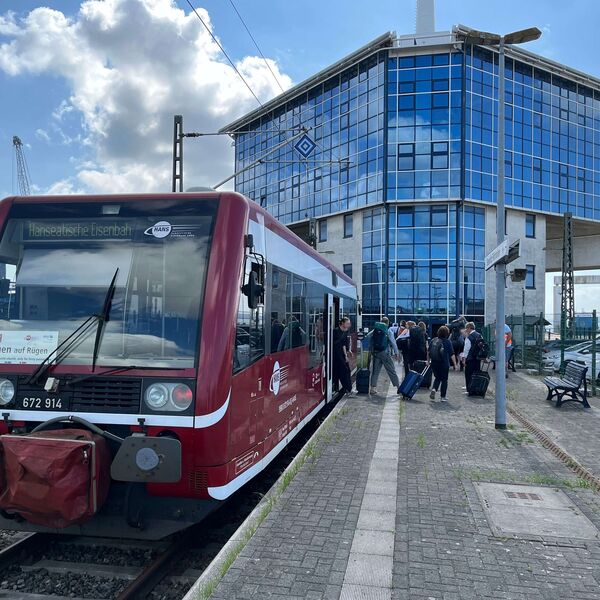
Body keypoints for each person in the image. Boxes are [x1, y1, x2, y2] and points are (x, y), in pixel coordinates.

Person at [368, 316, 401, 395]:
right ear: (388, 323)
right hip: (385, 353)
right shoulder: (388, 330)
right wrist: (397, 353)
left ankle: (372, 389)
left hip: (376, 353)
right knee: (391, 370)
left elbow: (368, 336)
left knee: (375, 371)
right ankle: (398, 387)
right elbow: (393, 342)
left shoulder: (375, 329)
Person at [428, 325, 456, 402]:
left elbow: (428, 351)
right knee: (444, 380)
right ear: (447, 333)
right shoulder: (447, 342)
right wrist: (455, 364)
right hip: (444, 363)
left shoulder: (434, 340)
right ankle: (443, 397)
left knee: (437, 378)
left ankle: (434, 389)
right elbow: (452, 354)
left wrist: (428, 361)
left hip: (434, 363)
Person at [332, 316, 353, 396]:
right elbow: (336, 344)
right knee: (344, 371)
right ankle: (347, 389)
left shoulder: (345, 331)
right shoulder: (335, 331)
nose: (349, 325)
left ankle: (347, 389)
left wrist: (346, 354)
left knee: (346, 370)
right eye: (347, 323)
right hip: (335, 354)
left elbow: (344, 344)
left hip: (341, 354)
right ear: (342, 323)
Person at [460, 322, 482, 391]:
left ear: (469, 328)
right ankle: (476, 388)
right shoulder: (479, 335)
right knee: (476, 373)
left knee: (468, 374)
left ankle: (469, 388)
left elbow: (466, 349)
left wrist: (463, 359)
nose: (466, 330)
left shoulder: (469, 337)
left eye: (466, 328)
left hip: (470, 358)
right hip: (477, 358)